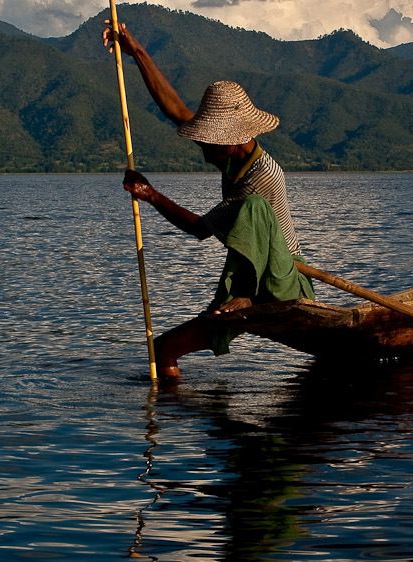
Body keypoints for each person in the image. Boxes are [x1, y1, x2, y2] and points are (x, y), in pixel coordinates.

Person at [103, 21, 314, 378]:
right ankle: (167, 407)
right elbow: (175, 109)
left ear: (232, 140)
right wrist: (135, 50)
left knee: (254, 208)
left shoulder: (261, 176)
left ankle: (245, 296)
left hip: (281, 281)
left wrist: (151, 195)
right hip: (244, 280)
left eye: (209, 144)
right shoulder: (231, 155)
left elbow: (201, 229)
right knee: (164, 350)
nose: (203, 152)